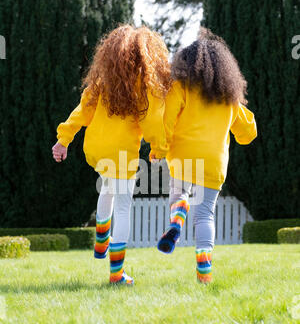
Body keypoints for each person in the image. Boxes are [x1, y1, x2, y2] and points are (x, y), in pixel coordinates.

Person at [52, 25, 171, 285]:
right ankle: (117, 274)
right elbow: (153, 122)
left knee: (106, 189)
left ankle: (101, 241)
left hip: (96, 149)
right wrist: (158, 149)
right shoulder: (145, 85)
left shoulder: (100, 82)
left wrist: (63, 140)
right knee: (124, 206)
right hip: (121, 154)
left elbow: (81, 111)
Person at [157, 28, 257, 284]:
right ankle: (204, 268)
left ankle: (176, 220)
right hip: (214, 161)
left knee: (179, 194)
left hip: (183, 155)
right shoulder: (228, 96)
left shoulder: (180, 87)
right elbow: (247, 131)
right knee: (205, 214)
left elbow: (166, 121)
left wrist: (158, 148)